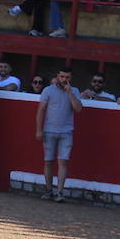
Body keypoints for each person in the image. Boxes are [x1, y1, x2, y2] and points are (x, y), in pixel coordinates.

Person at [35, 68, 82, 202]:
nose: (64, 79)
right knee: (48, 161)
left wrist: (70, 93)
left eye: (67, 77)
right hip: (49, 130)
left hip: (66, 131)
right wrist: (39, 129)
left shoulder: (75, 91)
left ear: (70, 78)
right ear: (58, 76)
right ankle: (49, 189)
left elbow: (78, 109)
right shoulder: (48, 90)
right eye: (62, 76)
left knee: (63, 161)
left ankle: (59, 192)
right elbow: (41, 110)